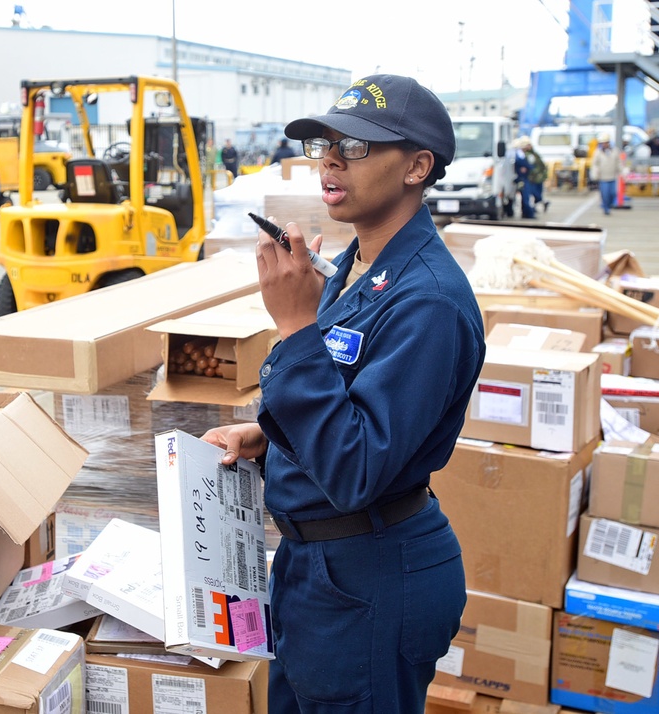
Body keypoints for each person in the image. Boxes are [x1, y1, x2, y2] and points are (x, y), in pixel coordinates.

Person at [201, 74, 485, 714]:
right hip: (319, 569)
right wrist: (269, 439)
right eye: (325, 143)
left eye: (356, 146)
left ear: (417, 166)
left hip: (372, 574)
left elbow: (357, 468)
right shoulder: (360, 267)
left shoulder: (428, 303)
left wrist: (297, 326)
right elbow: (340, 401)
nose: (331, 158)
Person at [590, 132, 621, 215]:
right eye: (603, 143)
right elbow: (595, 164)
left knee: (613, 194)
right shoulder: (598, 153)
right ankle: (606, 208)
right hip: (603, 178)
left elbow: (618, 162)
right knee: (605, 194)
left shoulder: (615, 151)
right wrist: (595, 174)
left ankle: (609, 205)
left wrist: (622, 171)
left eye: (606, 143)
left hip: (612, 176)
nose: (604, 144)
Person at [520, 136, 549, 215]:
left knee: (535, 193)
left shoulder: (531, 155)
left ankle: (539, 204)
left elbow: (537, 166)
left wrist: (536, 174)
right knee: (533, 193)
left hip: (535, 178)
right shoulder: (528, 154)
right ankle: (539, 204)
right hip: (533, 177)